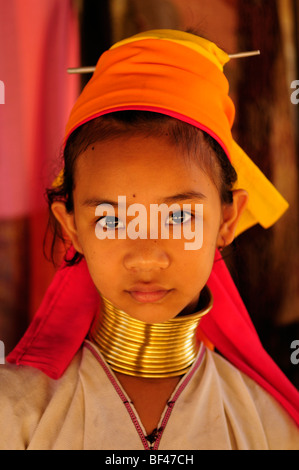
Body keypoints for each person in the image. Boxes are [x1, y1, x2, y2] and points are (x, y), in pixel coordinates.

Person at [1, 29, 298, 450]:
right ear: (71, 227)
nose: (145, 256)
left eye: (178, 216)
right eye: (111, 219)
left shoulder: (272, 427)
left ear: (227, 218)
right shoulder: (11, 413)